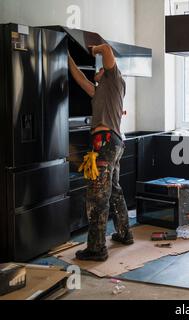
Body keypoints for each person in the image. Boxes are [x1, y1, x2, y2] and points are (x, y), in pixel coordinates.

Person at [69, 44, 133, 261]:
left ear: (106, 70)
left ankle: (97, 249)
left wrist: (95, 48)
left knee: (98, 197)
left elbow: (106, 48)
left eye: (100, 69)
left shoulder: (114, 79)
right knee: (114, 191)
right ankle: (124, 233)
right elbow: (80, 79)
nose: (96, 72)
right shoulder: (100, 91)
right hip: (112, 143)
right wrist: (66, 57)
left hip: (105, 144)